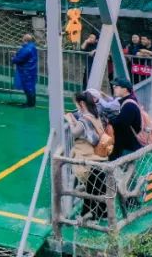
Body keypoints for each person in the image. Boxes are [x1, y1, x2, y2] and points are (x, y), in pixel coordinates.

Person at [64, 91, 110, 220]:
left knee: (92, 191)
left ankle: (91, 216)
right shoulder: (95, 114)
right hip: (99, 157)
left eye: (76, 104)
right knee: (97, 189)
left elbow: (74, 133)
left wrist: (70, 120)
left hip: (88, 158)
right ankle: (101, 214)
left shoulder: (84, 120)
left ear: (82, 103)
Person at [107, 78, 142, 159]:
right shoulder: (128, 102)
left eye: (116, 86)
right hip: (127, 145)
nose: (114, 88)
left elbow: (122, 123)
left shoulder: (129, 105)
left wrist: (110, 121)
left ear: (125, 89)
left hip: (127, 147)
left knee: (123, 169)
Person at [12, 34, 39, 107]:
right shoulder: (32, 47)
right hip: (31, 70)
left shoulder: (26, 49)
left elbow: (19, 59)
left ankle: (30, 104)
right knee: (31, 87)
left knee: (28, 87)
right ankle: (31, 103)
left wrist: (13, 57)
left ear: (25, 40)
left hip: (26, 71)